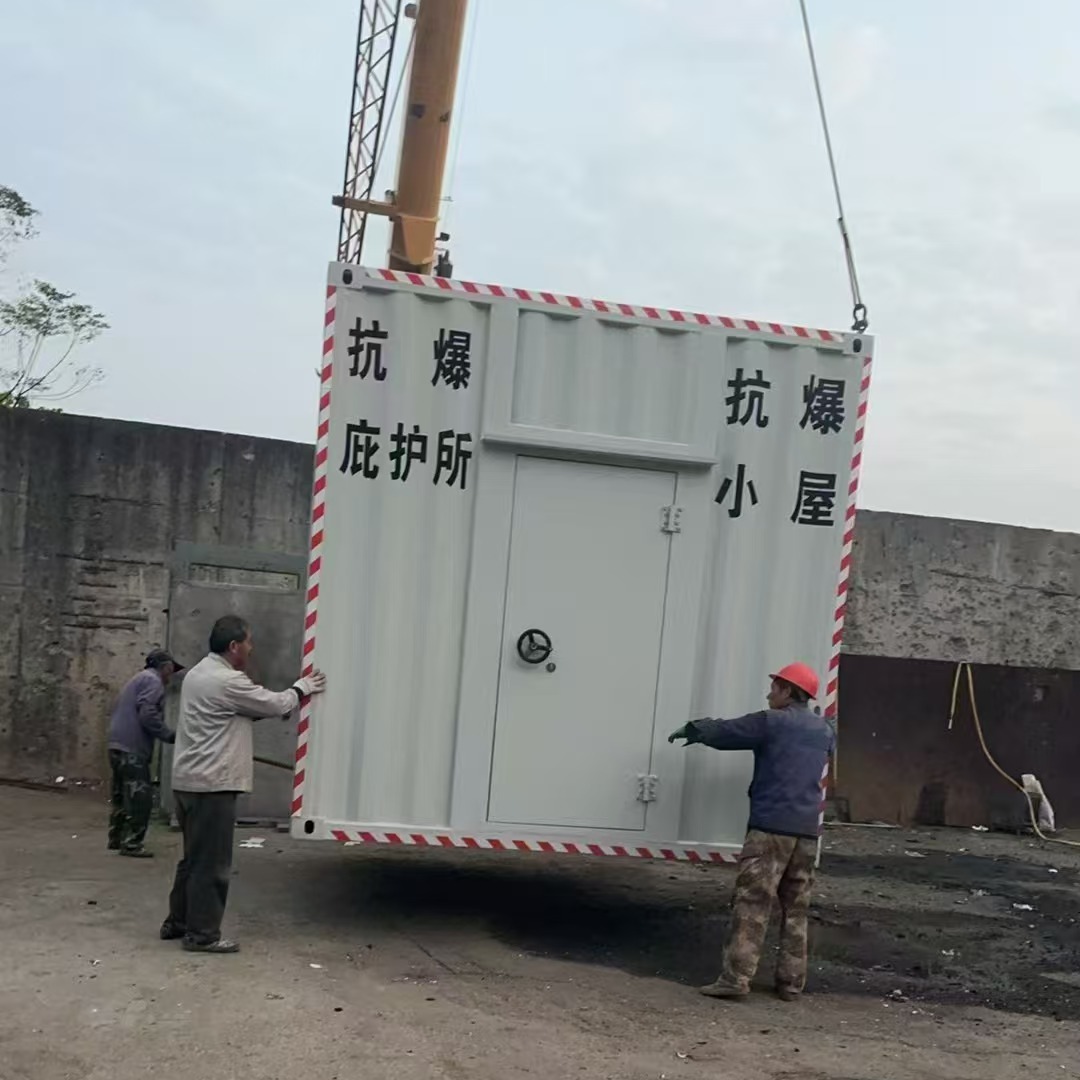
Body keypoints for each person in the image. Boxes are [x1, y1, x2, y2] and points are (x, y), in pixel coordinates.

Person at [668, 662, 833, 1002]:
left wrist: (694, 729)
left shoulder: (772, 721)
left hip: (770, 829)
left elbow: (728, 731)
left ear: (788, 691)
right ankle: (791, 984)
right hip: (806, 832)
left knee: (753, 902)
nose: (769, 694)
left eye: (774, 688)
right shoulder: (823, 729)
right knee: (796, 908)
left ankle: (735, 979)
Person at [161, 614, 326, 954]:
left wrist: (267, 707)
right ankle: (203, 935)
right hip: (212, 786)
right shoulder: (227, 680)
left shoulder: (198, 674)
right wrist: (302, 688)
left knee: (193, 860)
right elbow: (275, 702)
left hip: (188, 782)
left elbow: (235, 711)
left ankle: (178, 922)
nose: (252, 648)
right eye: (248, 642)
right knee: (212, 865)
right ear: (234, 646)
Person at [106, 649, 182, 858]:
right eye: (171, 670)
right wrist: (168, 735)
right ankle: (132, 844)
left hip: (117, 744)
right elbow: (147, 713)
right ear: (166, 667)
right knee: (140, 797)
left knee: (122, 795)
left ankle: (116, 837)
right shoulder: (153, 681)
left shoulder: (138, 679)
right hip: (133, 748)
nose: (171, 676)